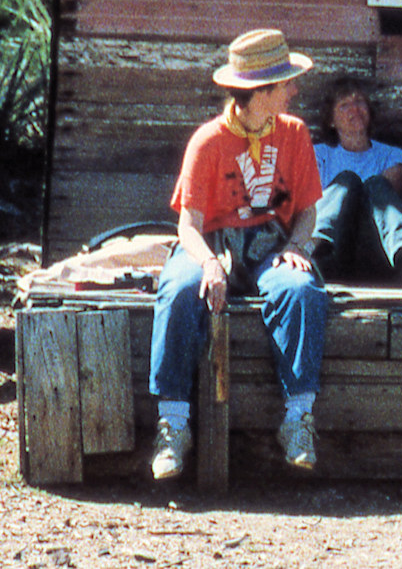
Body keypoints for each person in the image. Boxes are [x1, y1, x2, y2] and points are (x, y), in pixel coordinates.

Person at [149, 28, 330, 480]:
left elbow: (308, 212)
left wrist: (295, 246)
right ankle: (173, 424)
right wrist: (209, 263)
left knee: (301, 288)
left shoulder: (294, 133)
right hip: (210, 241)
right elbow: (186, 226)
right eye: (286, 83)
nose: (294, 90)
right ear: (258, 92)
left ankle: (298, 420)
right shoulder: (207, 141)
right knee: (179, 289)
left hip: (270, 242)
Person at [309, 78, 402, 290]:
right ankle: (306, 255)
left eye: (360, 102)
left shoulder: (392, 156)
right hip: (334, 250)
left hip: (377, 252)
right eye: (344, 105)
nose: (355, 109)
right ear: (331, 120)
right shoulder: (319, 155)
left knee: (375, 184)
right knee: (347, 181)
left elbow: (387, 195)